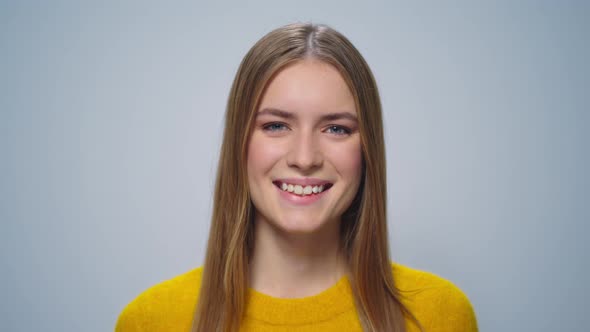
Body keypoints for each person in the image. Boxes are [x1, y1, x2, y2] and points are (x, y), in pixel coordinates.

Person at [115, 23, 478, 332]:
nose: (305, 158)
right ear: (240, 144)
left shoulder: (439, 315)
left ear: (367, 150)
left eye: (336, 128)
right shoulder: (152, 320)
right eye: (275, 125)